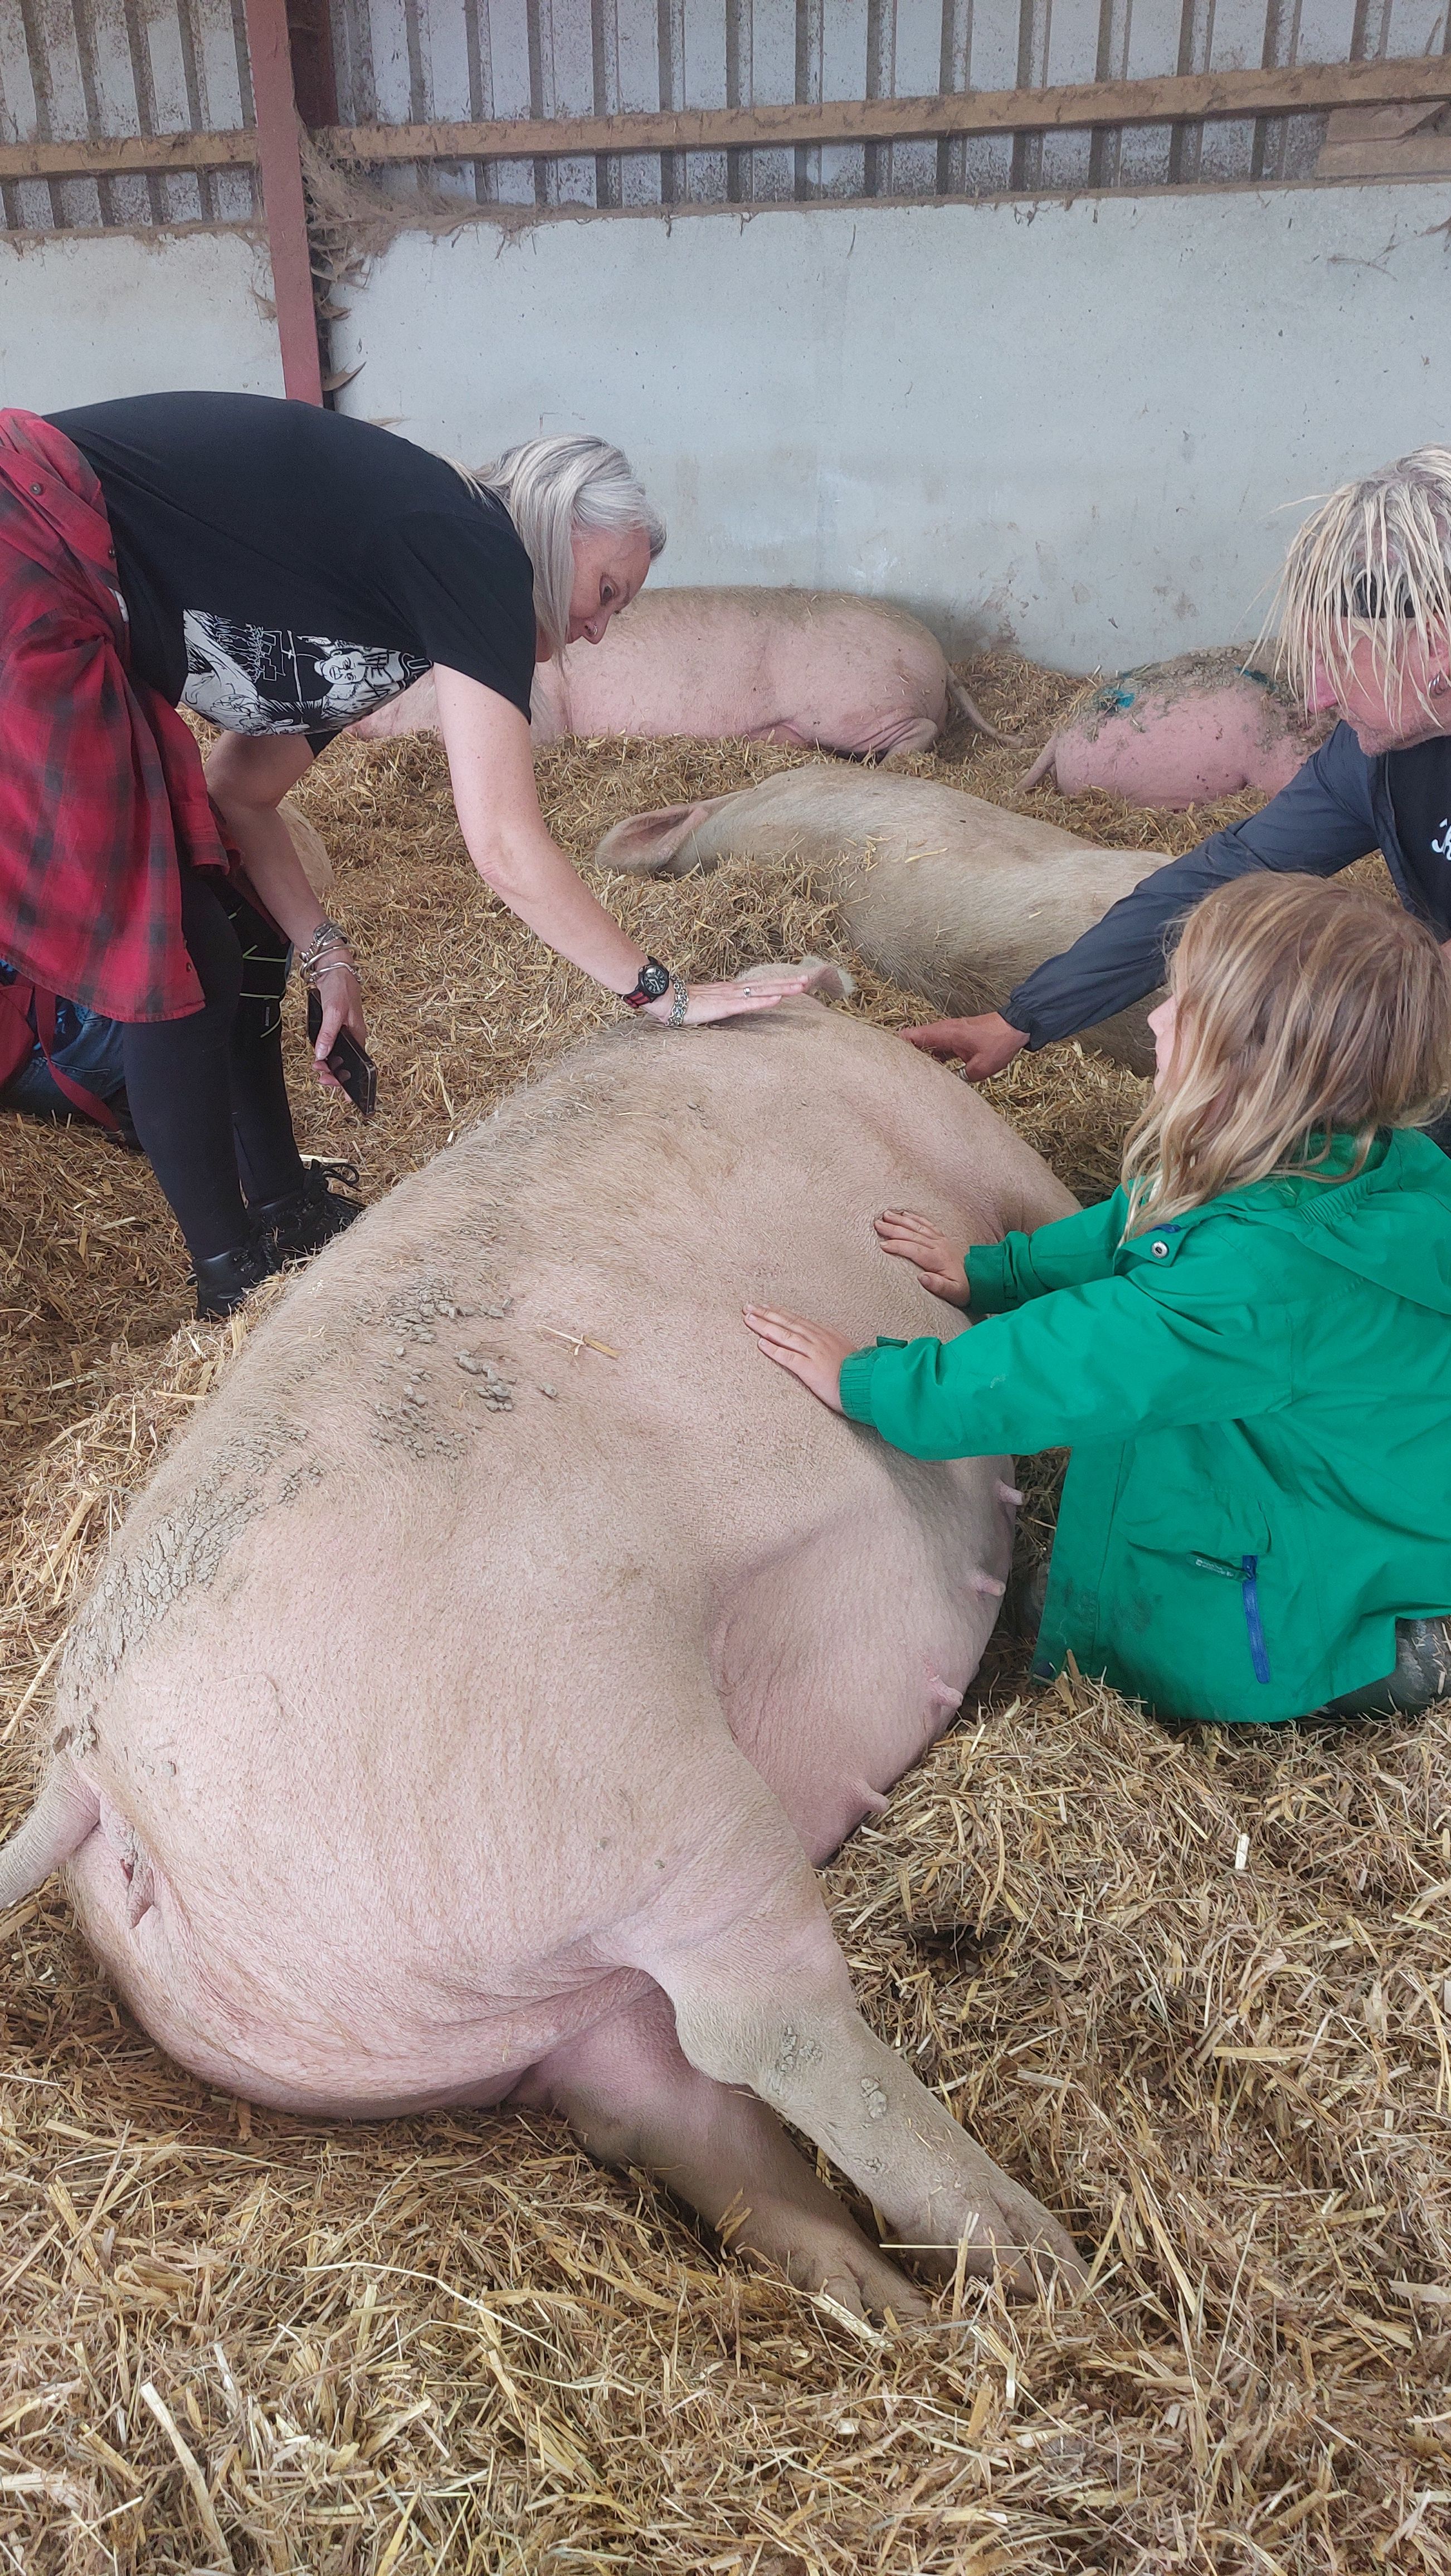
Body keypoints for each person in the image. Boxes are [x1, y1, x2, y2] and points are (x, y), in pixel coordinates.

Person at [1, 398, 801, 1319]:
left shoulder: (407, 587)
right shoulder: (474, 546)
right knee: (177, 947)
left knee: (233, 930)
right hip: (27, 543)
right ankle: (233, 1283)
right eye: (608, 591)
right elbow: (502, 844)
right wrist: (665, 993)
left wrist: (324, 954)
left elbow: (243, 792)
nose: (597, 629)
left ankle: (284, 1207)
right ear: (554, 525)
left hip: (59, 572)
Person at [743, 874, 1451, 1728]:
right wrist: (994, 1272)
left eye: (1183, 1007)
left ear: (1255, 1068)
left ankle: (1407, 1654)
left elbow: (1071, 1365)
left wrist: (875, 1383)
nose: (1154, 1019)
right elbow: (1139, 1221)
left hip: (1331, 1543)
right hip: (1352, 1470)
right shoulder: (1352, 1158)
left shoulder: (1261, 1279)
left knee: (1195, 1649)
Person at [903, 448, 1451, 1111]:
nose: (1318, 699)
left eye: (1341, 660)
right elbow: (1230, 869)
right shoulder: (1376, 754)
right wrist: (1027, 1015)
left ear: (1439, 644)